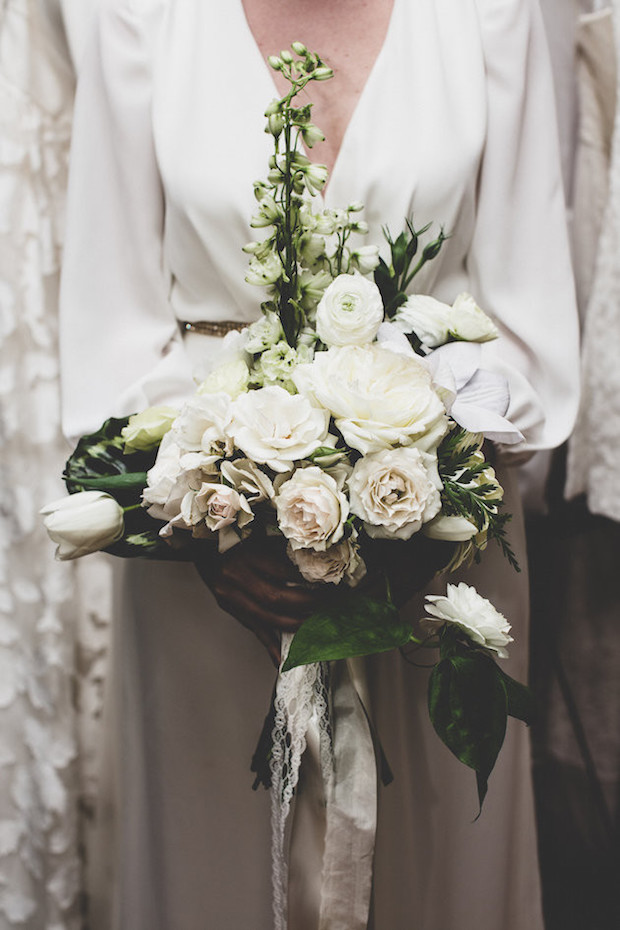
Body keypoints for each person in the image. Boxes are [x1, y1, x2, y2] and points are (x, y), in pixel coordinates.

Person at [59, 0, 579, 927]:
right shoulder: (142, 16)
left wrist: (418, 501)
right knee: (215, 872)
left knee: (438, 871)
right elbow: (112, 325)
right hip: (205, 562)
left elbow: (531, 336)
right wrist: (219, 528)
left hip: (439, 553)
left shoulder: (491, 16)